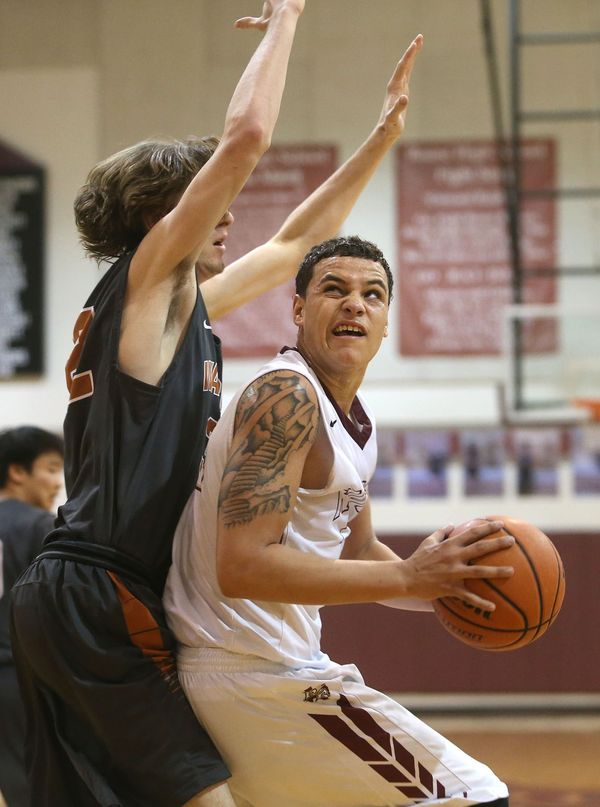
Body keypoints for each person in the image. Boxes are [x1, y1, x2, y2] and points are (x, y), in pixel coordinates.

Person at [9, 3, 425, 805]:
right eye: (210, 199)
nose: (230, 213)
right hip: (100, 589)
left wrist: (380, 141)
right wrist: (287, 21)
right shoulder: (149, 279)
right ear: (164, 216)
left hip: (76, 590)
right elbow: (245, 141)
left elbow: (296, 239)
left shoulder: (176, 309)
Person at [164, 236, 513, 807]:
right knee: (472, 796)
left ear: (385, 323)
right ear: (299, 310)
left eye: (372, 295)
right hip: (248, 670)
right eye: (335, 289)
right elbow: (243, 566)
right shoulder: (285, 394)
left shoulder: (355, 421)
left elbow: (359, 550)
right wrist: (410, 578)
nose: (355, 303)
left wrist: (448, 588)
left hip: (265, 670)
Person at [0, 427, 64, 807]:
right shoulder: (41, 526)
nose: (58, 482)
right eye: (51, 469)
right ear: (17, 472)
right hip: (24, 678)